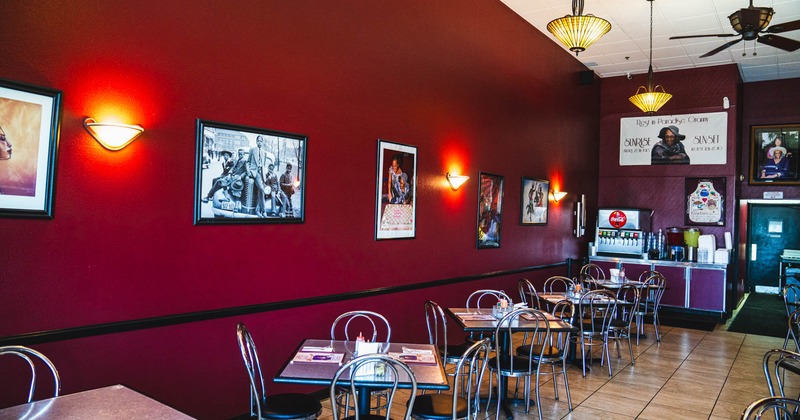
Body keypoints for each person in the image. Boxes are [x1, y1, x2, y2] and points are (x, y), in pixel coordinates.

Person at [246, 136, 269, 217]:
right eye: (258, 141)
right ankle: (264, 211)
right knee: (261, 189)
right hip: (253, 172)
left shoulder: (264, 153)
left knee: (262, 190)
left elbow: (264, 165)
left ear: (262, 143)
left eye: (261, 141)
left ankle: (258, 210)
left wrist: (264, 176)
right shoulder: (252, 150)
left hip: (261, 174)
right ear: (256, 142)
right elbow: (247, 162)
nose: (259, 142)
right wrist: (249, 171)